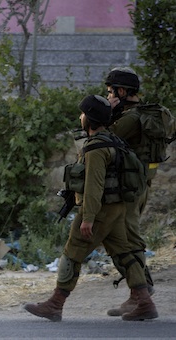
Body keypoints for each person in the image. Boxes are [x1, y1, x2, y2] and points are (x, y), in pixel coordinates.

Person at [24, 95, 158, 322]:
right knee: (125, 252)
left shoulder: (96, 148)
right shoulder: (115, 141)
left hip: (100, 211)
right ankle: (144, 301)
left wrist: (88, 218)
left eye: (83, 114)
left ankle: (55, 304)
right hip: (117, 210)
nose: (80, 117)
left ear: (90, 119)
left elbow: (94, 186)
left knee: (72, 252)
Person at [104, 67, 155, 316]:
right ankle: (138, 295)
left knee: (125, 239)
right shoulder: (149, 113)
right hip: (143, 183)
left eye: (111, 91)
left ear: (122, 91)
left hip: (129, 188)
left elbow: (102, 139)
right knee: (125, 237)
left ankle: (142, 292)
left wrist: (108, 112)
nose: (110, 95)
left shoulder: (129, 118)